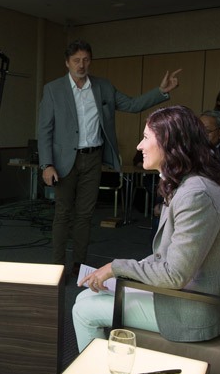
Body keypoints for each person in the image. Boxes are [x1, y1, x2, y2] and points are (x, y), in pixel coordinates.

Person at [73, 105, 220, 352]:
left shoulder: (195, 194)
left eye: (145, 138)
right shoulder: (186, 184)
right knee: (85, 296)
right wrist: (120, 273)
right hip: (189, 293)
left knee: (84, 309)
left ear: (170, 143)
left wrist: (116, 268)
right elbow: (168, 259)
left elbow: (175, 274)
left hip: (197, 309)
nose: (138, 146)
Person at [37, 39, 181, 275]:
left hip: (93, 159)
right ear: (67, 63)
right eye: (76, 61)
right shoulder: (53, 89)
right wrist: (46, 164)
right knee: (63, 213)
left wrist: (161, 91)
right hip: (63, 162)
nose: (81, 65)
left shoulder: (103, 86)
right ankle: (57, 266)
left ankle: (78, 265)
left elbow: (133, 105)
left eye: (85, 60)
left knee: (85, 215)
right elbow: (44, 130)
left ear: (90, 62)